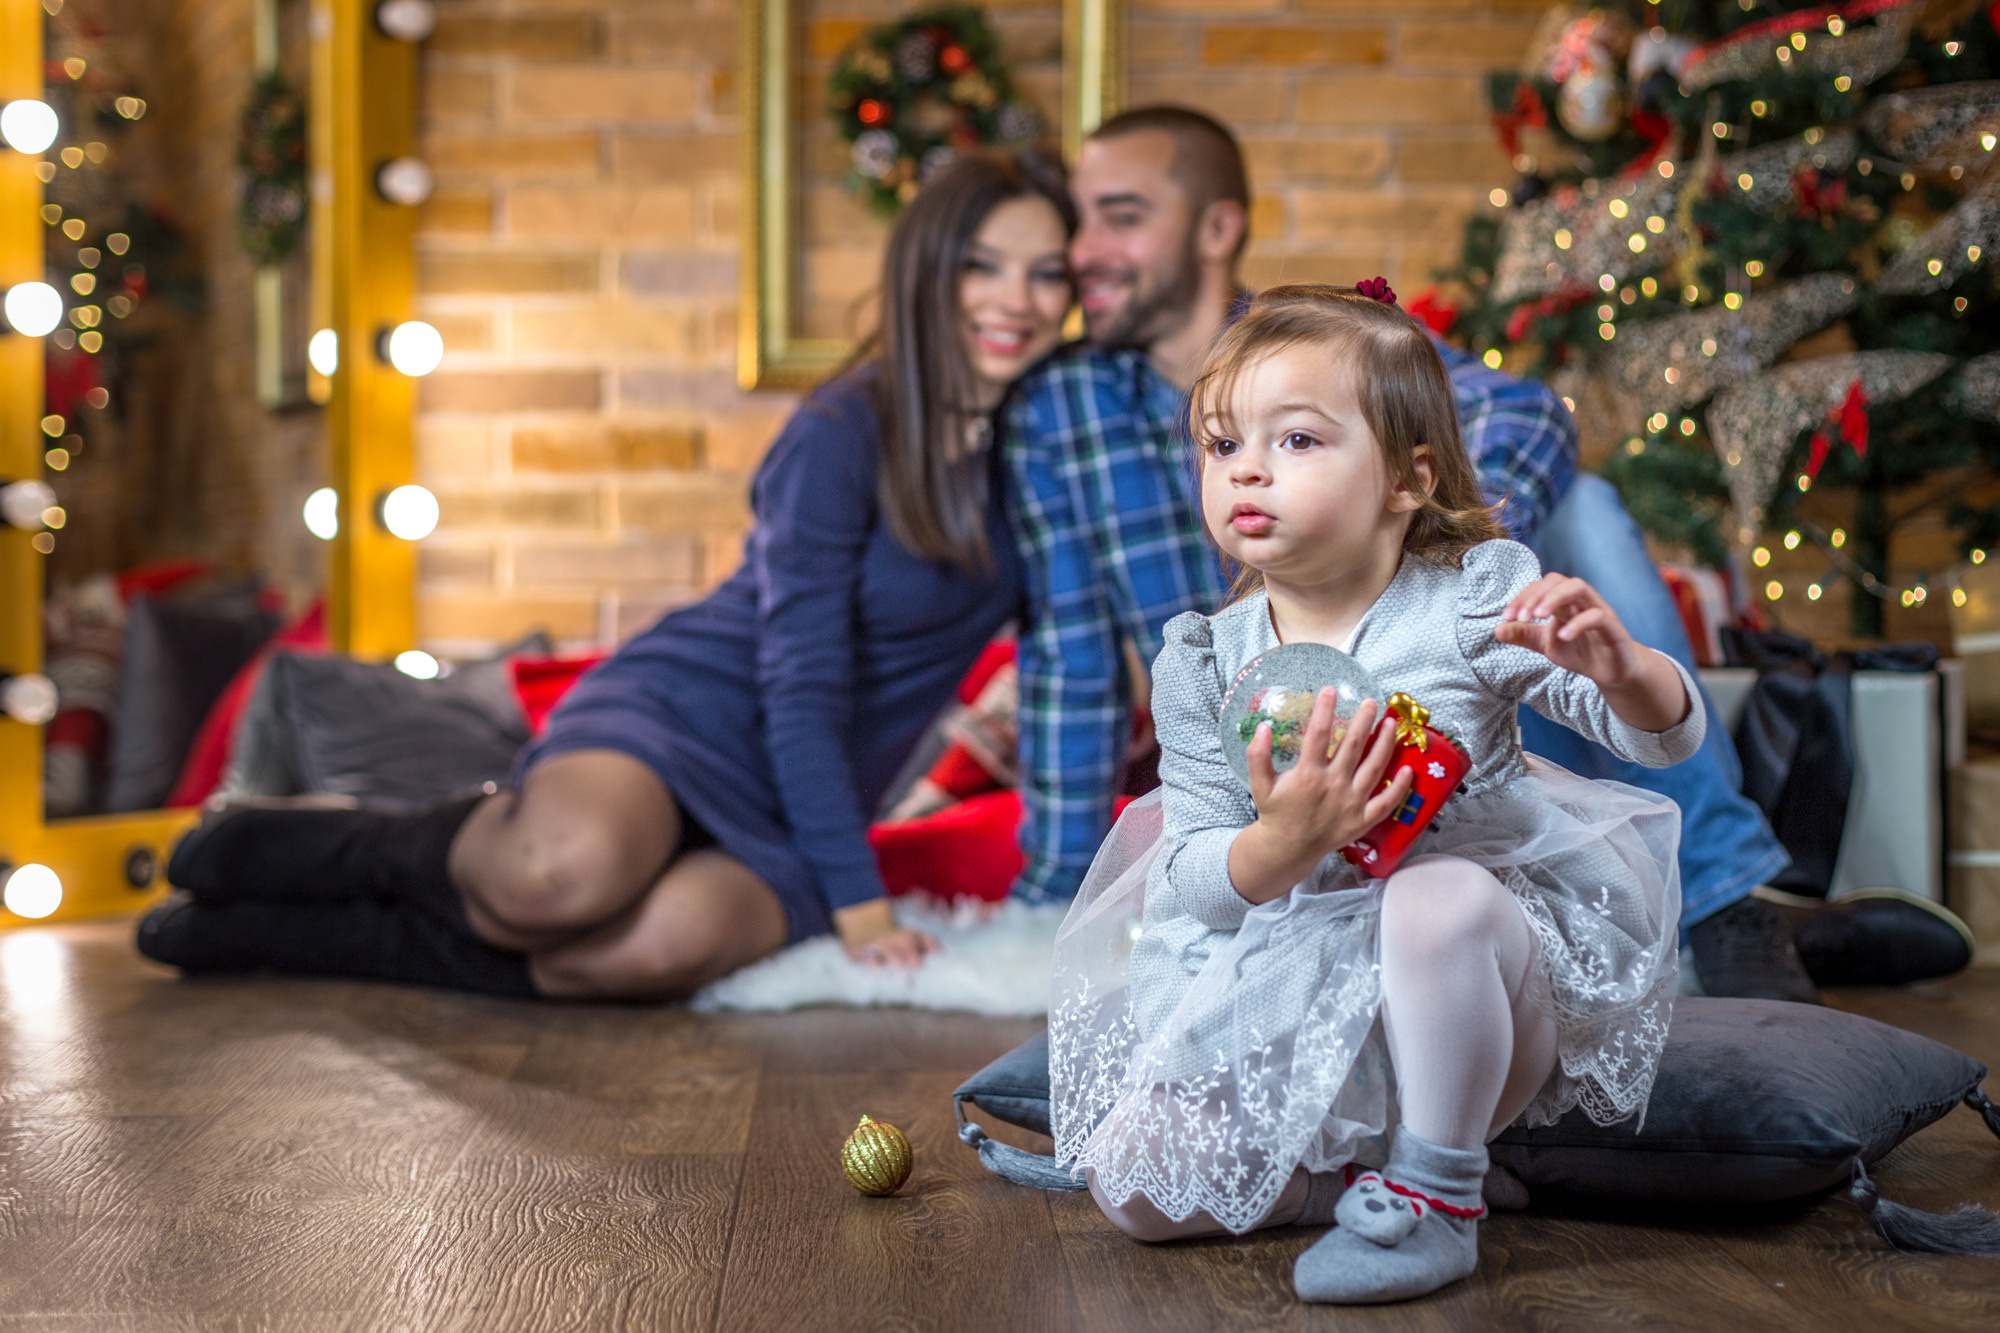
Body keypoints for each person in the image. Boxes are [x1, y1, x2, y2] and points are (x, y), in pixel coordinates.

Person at [1004, 104, 1966, 1004]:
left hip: (1453, 722)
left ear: (1215, 230)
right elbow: (1069, 651)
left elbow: (1527, 411)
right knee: (1572, 511)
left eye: (1118, 217)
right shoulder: (1063, 408)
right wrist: (1052, 894)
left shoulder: (1327, 345)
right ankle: (1722, 912)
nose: (1082, 250)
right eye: (1220, 447)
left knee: (1579, 504)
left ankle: (1721, 907)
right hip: (1280, 758)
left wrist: (1419, 544)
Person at [138, 150, 1076, 997]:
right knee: (554, 878)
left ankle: (269, 933)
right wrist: (860, 902)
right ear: (925, 271)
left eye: (1046, 274)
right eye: (982, 265)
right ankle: (334, 842)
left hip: (800, 802)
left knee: (628, 957)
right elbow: (803, 685)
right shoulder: (843, 431)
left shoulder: (1043, 456)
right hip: (687, 716)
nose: (1017, 300)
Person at [1049, 284, 1702, 1303]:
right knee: (1128, 1184)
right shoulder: (1202, 663)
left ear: (1406, 477)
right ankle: (1355, 1173)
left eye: (1297, 440)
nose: (1247, 469)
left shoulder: (1466, 606)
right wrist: (1282, 840)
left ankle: (1439, 1189)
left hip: (1475, 974)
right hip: (1307, 992)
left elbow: (1654, 739)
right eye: (1221, 446)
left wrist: (1622, 668)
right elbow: (1188, 876)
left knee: (1428, 895)